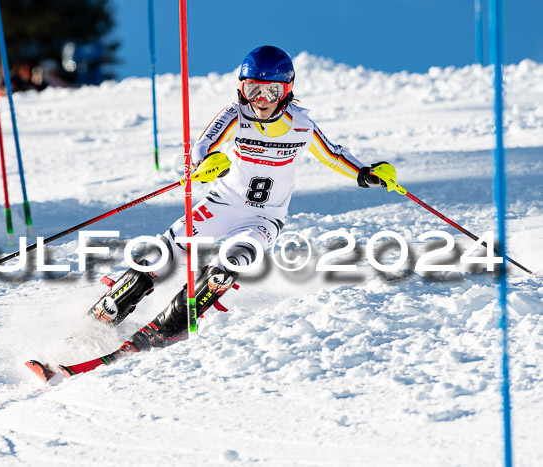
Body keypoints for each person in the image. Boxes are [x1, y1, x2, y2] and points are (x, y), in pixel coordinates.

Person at [84, 45, 390, 361]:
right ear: (241, 88)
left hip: (265, 220)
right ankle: (103, 314)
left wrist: (366, 173)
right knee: (162, 256)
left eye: (271, 91)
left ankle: (169, 326)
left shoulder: (301, 126)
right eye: (251, 89)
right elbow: (202, 146)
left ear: (286, 90)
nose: (260, 100)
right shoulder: (236, 114)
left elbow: (333, 155)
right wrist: (203, 166)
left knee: (226, 268)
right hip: (223, 204)